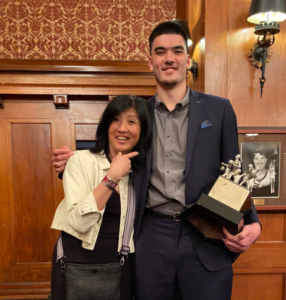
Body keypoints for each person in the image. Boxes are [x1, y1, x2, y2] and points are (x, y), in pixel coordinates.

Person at [52, 21, 261, 300]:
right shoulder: (136, 113)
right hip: (150, 235)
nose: (169, 58)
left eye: (177, 51)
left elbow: (235, 171)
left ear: (188, 60)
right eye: (160, 52)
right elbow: (108, 151)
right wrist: (73, 160)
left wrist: (253, 222)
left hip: (205, 234)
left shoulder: (219, 109)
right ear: (150, 61)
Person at [50, 95, 152, 300]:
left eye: (131, 121)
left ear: (142, 131)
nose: (122, 128)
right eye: (115, 119)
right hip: (77, 261)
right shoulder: (80, 161)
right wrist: (111, 177)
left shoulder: (144, 172)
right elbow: (79, 222)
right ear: (106, 125)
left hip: (122, 263)